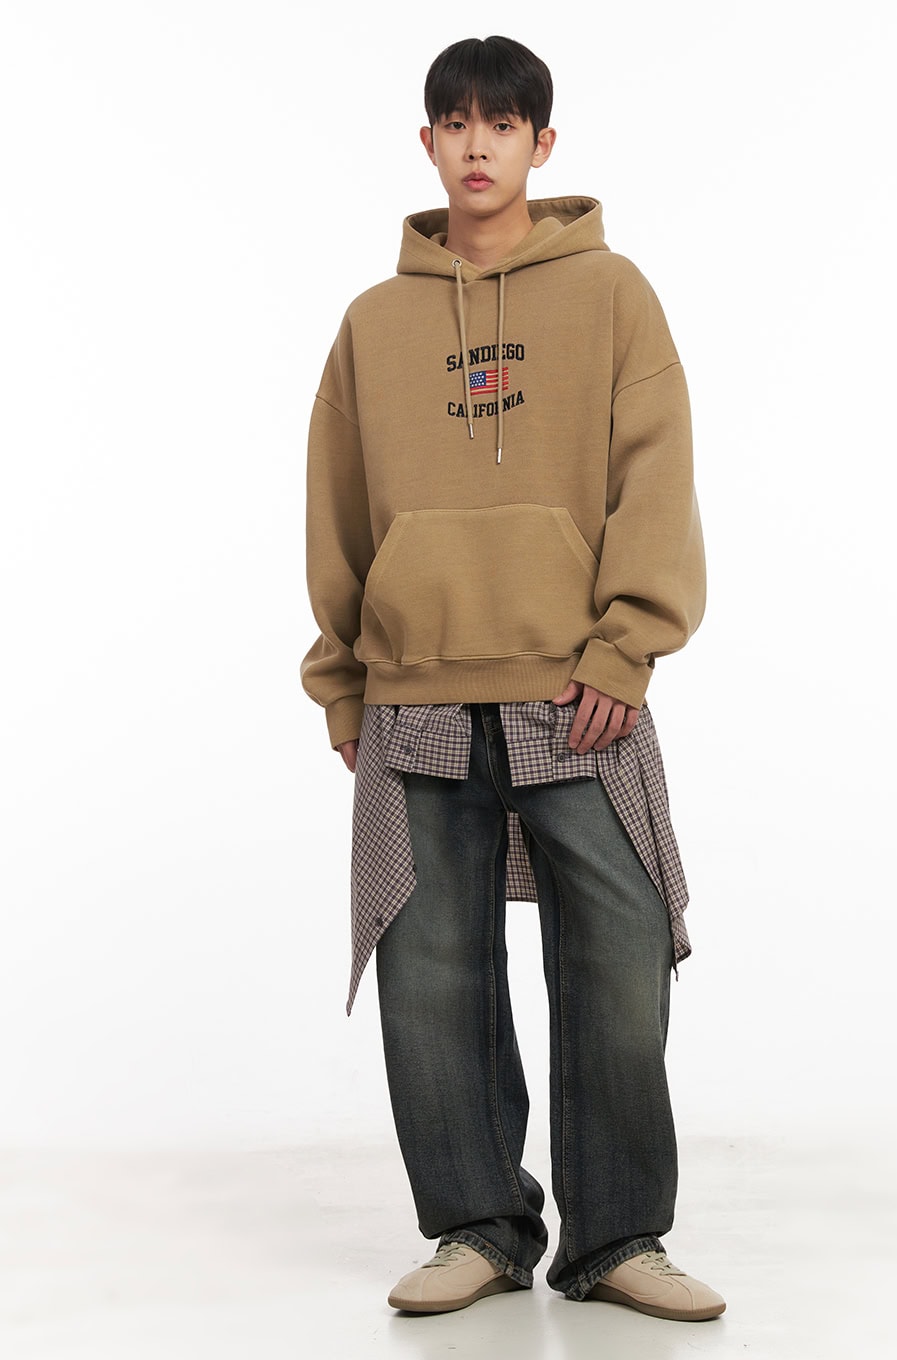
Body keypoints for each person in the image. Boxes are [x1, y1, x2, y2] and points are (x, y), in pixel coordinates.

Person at [299, 34, 725, 1322]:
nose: (476, 144)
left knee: (619, 953)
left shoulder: (614, 296)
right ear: (426, 141)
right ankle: (477, 1228)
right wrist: (344, 682)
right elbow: (338, 510)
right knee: (432, 970)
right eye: (455, 122)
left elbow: (656, 475)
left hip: (575, 688)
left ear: (544, 143)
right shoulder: (374, 324)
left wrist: (627, 643)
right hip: (415, 690)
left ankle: (618, 1239)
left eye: (502, 124)